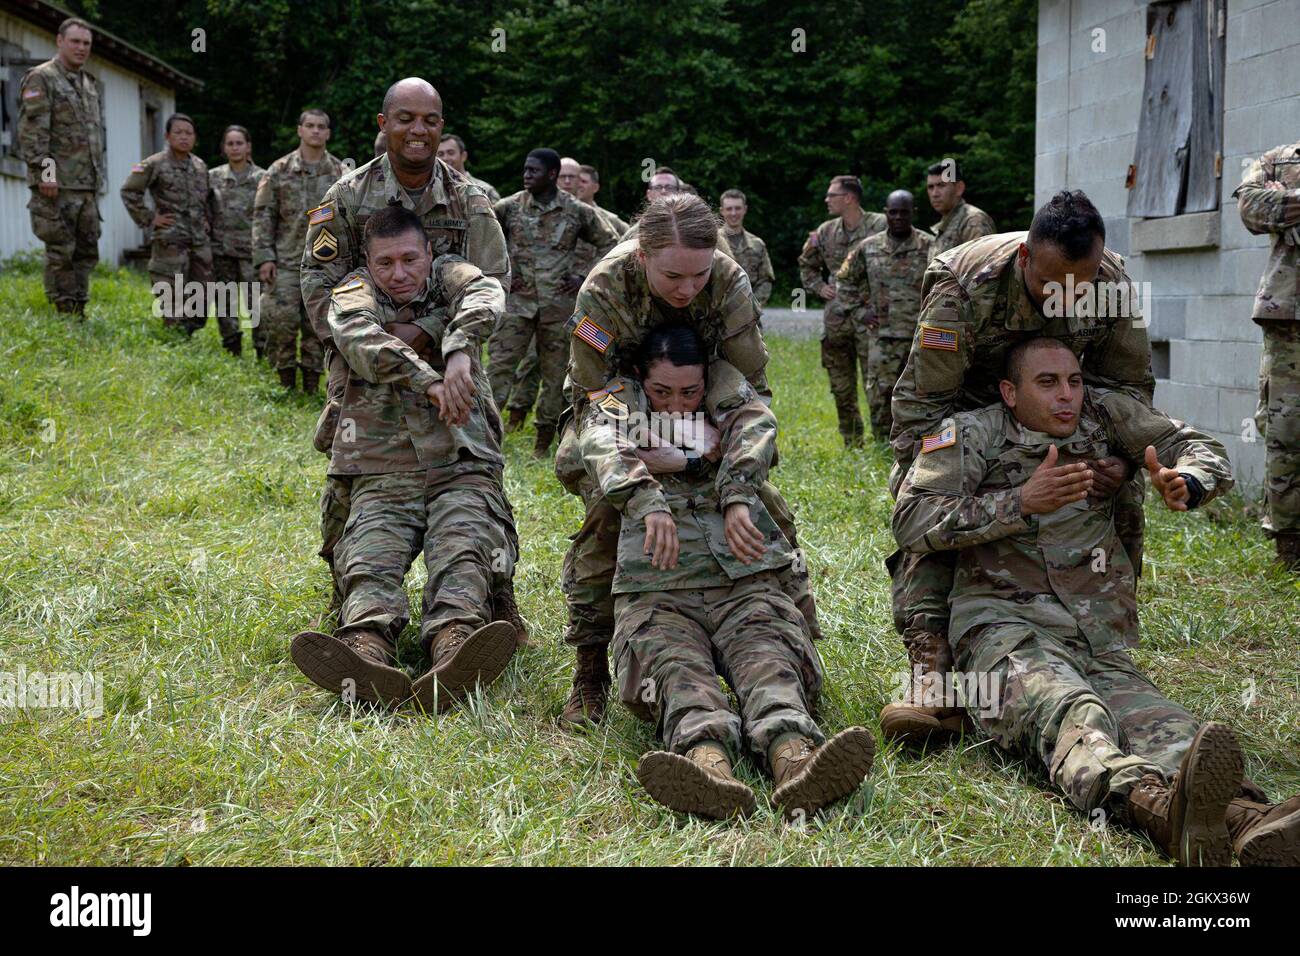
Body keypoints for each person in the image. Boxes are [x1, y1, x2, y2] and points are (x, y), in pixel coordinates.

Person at [893, 337, 1300, 866]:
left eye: (1075, 381)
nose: (1067, 397)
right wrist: (1019, 501)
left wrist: (1187, 481)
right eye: (1048, 384)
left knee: (1168, 727)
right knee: (1073, 711)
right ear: (1009, 392)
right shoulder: (973, 434)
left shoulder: (1105, 417)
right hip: (1004, 630)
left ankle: (1246, 821)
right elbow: (910, 520)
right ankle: (1153, 808)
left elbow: (1197, 446)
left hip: (1095, 636)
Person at [881, 190, 1155, 747]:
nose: (1066, 298)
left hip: (1062, 403)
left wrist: (1117, 463)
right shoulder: (963, 283)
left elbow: (1129, 388)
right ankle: (931, 659)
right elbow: (926, 407)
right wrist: (939, 469)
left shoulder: (1115, 285)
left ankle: (1099, 636)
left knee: (1121, 498)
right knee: (931, 502)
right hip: (967, 409)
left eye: (1081, 287)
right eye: (1052, 285)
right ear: (1026, 260)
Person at [581, 325, 874, 820]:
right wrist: (659, 484)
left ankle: (795, 759)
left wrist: (735, 493)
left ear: (707, 384)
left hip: (743, 583)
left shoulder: (730, 397)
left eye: (690, 392)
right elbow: (593, 446)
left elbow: (758, 430)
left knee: (769, 657)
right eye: (661, 393)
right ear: (638, 381)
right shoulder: (617, 405)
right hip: (659, 591)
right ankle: (709, 768)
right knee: (676, 673)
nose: (676, 404)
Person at [555, 192, 821, 730]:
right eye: (673, 276)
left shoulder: (727, 281)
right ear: (641, 258)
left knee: (770, 509)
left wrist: (728, 468)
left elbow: (751, 389)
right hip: (621, 409)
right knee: (609, 516)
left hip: (705, 399)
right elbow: (596, 398)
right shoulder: (603, 290)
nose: (687, 289)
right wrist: (645, 477)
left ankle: (794, 637)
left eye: (697, 277)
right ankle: (589, 670)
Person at [298, 78, 524, 645]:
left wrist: (430, 333)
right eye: (405, 119)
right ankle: (352, 613)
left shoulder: (471, 201)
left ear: (441, 126)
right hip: (366, 384)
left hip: (457, 374)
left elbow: (492, 282)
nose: (417, 130)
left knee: (477, 490)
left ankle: (493, 611)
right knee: (352, 500)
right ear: (383, 123)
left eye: (429, 120)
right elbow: (320, 290)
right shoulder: (346, 198)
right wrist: (383, 338)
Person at [290, 205, 519, 712]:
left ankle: (454, 645)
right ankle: (366, 650)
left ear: (430, 253)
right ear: (368, 264)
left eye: (410, 260)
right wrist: (430, 377)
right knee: (371, 557)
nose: (399, 273)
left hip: (460, 456)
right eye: (385, 263)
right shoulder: (352, 291)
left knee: (463, 546)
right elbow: (357, 338)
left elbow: (487, 293)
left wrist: (457, 346)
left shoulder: (452, 275)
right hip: (380, 462)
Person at [487, 148, 620, 457]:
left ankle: (543, 442)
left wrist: (582, 275)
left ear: (551, 175)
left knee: (556, 374)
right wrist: (502, 271)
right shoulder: (508, 207)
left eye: (533, 171)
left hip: (558, 308)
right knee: (499, 369)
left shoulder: (576, 211)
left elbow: (610, 242)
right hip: (517, 306)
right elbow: (483, 235)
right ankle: (487, 434)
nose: (526, 175)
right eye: (525, 170)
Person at [1234, 142, 1300, 570]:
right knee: (1285, 430)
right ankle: (1291, 547)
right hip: (1290, 315)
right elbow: (1250, 208)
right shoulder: (1282, 158)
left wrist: (1286, 202)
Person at [16, 16, 104, 316]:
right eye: (75, 41)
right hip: (57, 184)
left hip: (86, 185)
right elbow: (33, 132)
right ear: (59, 41)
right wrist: (46, 174)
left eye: (86, 44)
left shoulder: (89, 85)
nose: (81, 48)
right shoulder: (42, 78)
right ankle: (63, 312)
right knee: (60, 250)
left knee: (86, 250)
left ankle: (79, 307)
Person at [252, 109, 343, 392]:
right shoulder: (278, 171)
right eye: (310, 126)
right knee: (281, 321)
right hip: (286, 261)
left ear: (328, 133)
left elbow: (351, 219)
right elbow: (263, 216)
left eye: (321, 127)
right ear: (299, 130)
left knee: (318, 325)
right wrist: (264, 257)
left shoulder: (342, 173)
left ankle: (312, 385)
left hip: (326, 263)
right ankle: (286, 382)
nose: (315, 131)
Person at [798, 175, 887, 446]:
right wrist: (817, 286)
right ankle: (853, 441)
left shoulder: (880, 226)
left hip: (870, 318)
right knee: (841, 386)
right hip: (837, 321)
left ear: (849, 198)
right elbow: (806, 264)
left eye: (831, 195)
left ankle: (884, 440)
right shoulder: (824, 232)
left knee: (879, 385)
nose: (826, 199)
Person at [836, 189, 932, 439]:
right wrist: (859, 311)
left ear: (914, 213)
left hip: (920, 336)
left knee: (922, 393)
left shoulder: (930, 246)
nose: (898, 217)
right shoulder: (868, 247)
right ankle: (882, 442)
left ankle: (917, 442)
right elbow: (844, 280)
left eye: (904, 212)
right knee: (880, 394)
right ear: (885, 213)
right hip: (882, 336)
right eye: (893, 212)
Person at [120, 113, 215, 335]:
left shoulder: (200, 166)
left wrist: (207, 220)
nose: (184, 137)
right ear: (167, 136)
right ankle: (173, 336)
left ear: (195, 138)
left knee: (202, 290)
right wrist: (150, 218)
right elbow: (129, 191)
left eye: (188, 133)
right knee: (171, 291)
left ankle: (190, 333)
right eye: (178, 132)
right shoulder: (154, 164)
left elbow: (208, 198)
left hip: (199, 241)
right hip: (170, 240)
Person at [207, 125, 265, 358]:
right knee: (225, 301)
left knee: (256, 302)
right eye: (230, 143)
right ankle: (232, 346)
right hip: (222, 249)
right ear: (224, 148)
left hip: (252, 251)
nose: (235, 148)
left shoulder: (262, 177)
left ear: (248, 146)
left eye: (239, 143)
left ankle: (262, 348)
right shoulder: (213, 177)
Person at [925, 159, 996, 256]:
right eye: (930, 187)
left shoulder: (973, 221)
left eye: (941, 185)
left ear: (959, 188)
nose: (934, 194)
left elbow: (981, 267)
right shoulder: (945, 225)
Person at [718, 189, 775, 309]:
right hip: (716, 314)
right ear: (722, 211)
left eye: (738, 208)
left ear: (745, 209)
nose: (733, 213)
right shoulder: (711, 242)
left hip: (749, 314)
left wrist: (753, 305)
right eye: (729, 209)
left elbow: (766, 280)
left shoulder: (757, 244)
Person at [437, 133, 500, 202]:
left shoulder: (485, 191)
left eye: (451, 153)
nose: (445, 158)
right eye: (440, 154)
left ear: (463, 156)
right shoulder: (430, 191)